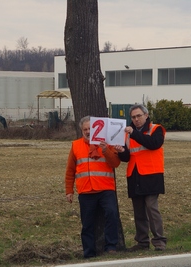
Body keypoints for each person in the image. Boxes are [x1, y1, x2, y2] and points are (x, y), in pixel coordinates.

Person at [65, 116, 121, 258]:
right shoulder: (76, 145)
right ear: (81, 130)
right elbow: (70, 170)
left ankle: (111, 246)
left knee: (112, 214)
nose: (88, 131)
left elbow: (115, 163)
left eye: (91, 128)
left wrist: (105, 150)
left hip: (105, 189)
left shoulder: (107, 143)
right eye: (85, 129)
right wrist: (69, 190)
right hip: (85, 191)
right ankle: (89, 253)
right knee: (87, 224)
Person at [114, 104, 167, 252]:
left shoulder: (156, 129)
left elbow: (153, 144)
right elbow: (127, 157)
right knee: (138, 211)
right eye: (133, 117)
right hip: (134, 174)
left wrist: (134, 134)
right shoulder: (126, 133)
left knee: (151, 208)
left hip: (151, 174)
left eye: (138, 116)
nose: (136, 119)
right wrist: (121, 151)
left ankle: (159, 241)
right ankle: (142, 242)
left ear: (146, 115)